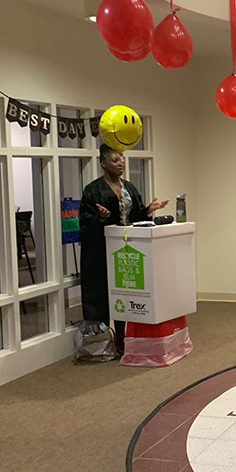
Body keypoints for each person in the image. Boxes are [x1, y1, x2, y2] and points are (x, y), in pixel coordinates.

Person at [79, 144, 168, 355]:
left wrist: (148, 210)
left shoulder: (128, 187)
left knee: (124, 295)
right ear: (103, 163)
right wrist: (99, 218)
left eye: (122, 160)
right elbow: (84, 225)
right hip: (100, 252)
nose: (120, 164)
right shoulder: (93, 190)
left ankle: (123, 340)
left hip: (125, 252)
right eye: (115, 160)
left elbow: (135, 218)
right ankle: (101, 344)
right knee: (102, 296)